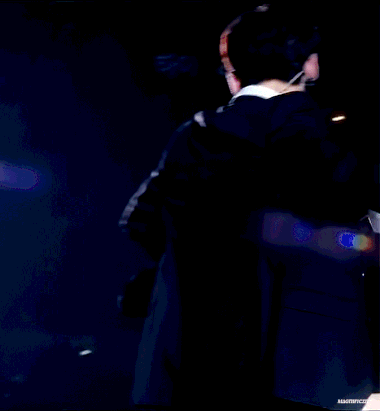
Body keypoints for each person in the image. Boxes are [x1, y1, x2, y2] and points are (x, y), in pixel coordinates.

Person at [118, 5, 377, 410]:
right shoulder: (326, 135)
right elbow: (358, 224)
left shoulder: (195, 135)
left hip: (199, 360)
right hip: (311, 367)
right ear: (309, 65)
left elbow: (140, 221)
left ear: (233, 71)